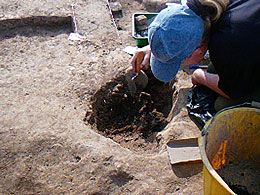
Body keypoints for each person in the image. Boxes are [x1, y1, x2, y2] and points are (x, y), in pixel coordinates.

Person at [131, 0, 260, 106]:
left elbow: (233, 92)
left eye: (180, 63)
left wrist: (200, 76)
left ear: (197, 50)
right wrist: (154, 47)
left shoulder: (226, 45)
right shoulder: (201, 7)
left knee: (221, 105)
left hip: (245, 43)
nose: (181, 67)